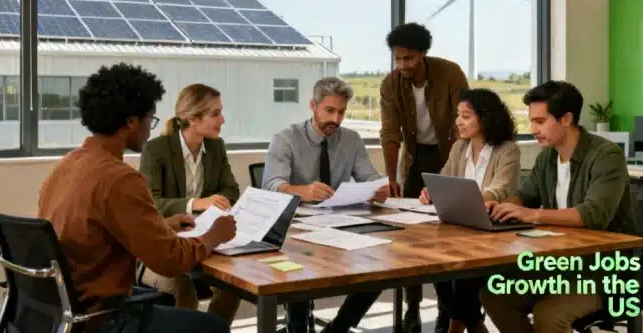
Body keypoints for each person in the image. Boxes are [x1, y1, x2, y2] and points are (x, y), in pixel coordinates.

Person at [37, 63, 237, 333]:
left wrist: (162, 225)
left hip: (62, 309)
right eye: (149, 119)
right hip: (103, 316)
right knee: (214, 328)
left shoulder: (68, 165)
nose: (150, 128)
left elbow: (98, 230)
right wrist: (214, 235)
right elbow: (170, 260)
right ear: (131, 122)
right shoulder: (120, 179)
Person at [480, 81, 636, 333]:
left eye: (540, 122)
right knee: (495, 295)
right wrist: (500, 207)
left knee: (549, 315)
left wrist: (533, 214)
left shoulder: (606, 155)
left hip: (604, 272)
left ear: (566, 118)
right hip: (561, 264)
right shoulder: (548, 156)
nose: (533, 129)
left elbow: (593, 214)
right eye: (531, 121)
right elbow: (525, 195)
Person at [262, 76, 389, 333]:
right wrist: (304, 191)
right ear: (313, 105)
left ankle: (339, 328)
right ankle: (296, 329)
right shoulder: (285, 138)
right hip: (296, 230)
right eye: (329, 111)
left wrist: (380, 188)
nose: (336, 119)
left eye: (341, 112)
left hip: (339, 225)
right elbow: (271, 185)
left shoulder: (351, 139)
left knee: (382, 270)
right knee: (299, 269)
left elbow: (370, 177)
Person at [379, 22, 469, 333]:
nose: (402, 65)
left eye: (408, 58)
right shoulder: (390, 85)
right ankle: (412, 307)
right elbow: (390, 132)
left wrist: (458, 166)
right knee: (408, 238)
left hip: (449, 155)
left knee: (447, 239)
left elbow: (464, 123)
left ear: (423, 54)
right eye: (397, 59)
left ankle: (449, 309)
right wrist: (392, 178)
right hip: (414, 160)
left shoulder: (450, 73)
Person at [137, 83, 241, 325]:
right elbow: (151, 203)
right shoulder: (156, 150)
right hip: (161, 249)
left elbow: (231, 190)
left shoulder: (216, 147)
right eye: (215, 114)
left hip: (205, 243)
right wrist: (197, 203)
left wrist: (217, 205)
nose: (222, 119)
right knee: (184, 290)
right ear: (193, 119)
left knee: (233, 284)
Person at [418, 88, 520, 333]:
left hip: (493, 234)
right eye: (458, 115)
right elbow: (443, 179)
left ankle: (464, 326)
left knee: (465, 273)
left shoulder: (507, 149)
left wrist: (467, 198)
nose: (458, 122)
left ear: (484, 118)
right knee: (434, 265)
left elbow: (500, 188)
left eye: (465, 116)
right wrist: (430, 192)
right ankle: (473, 325)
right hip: (459, 230)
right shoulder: (459, 148)